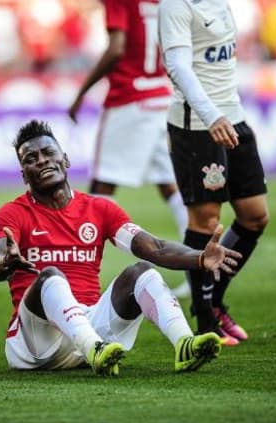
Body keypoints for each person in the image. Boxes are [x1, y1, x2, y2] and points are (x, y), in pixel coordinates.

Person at [0, 120, 242, 376]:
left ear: (65, 159)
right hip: (36, 344)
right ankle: (94, 348)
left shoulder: (98, 209)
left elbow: (155, 248)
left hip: (87, 327)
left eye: (48, 153)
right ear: (24, 175)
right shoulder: (11, 214)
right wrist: (3, 263)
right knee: (50, 276)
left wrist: (200, 258)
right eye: (31, 159)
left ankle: (184, 343)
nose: (42, 161)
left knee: (143, 272)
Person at [158, 0, 270, 346]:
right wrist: (211, 116)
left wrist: (225, 113)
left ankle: (215, 301)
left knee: (255, 216)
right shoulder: (175, 5)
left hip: (232, 115)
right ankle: (205, 318)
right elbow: (177, 65)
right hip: (197, 125)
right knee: (205, 220)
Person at [67, 0, 189, 249]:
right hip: (160, 96)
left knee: (101, 187)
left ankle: (80, 269)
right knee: (170, 186)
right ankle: (199, 274)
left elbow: (116, 48)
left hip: (128, 99)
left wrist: (82, 91)